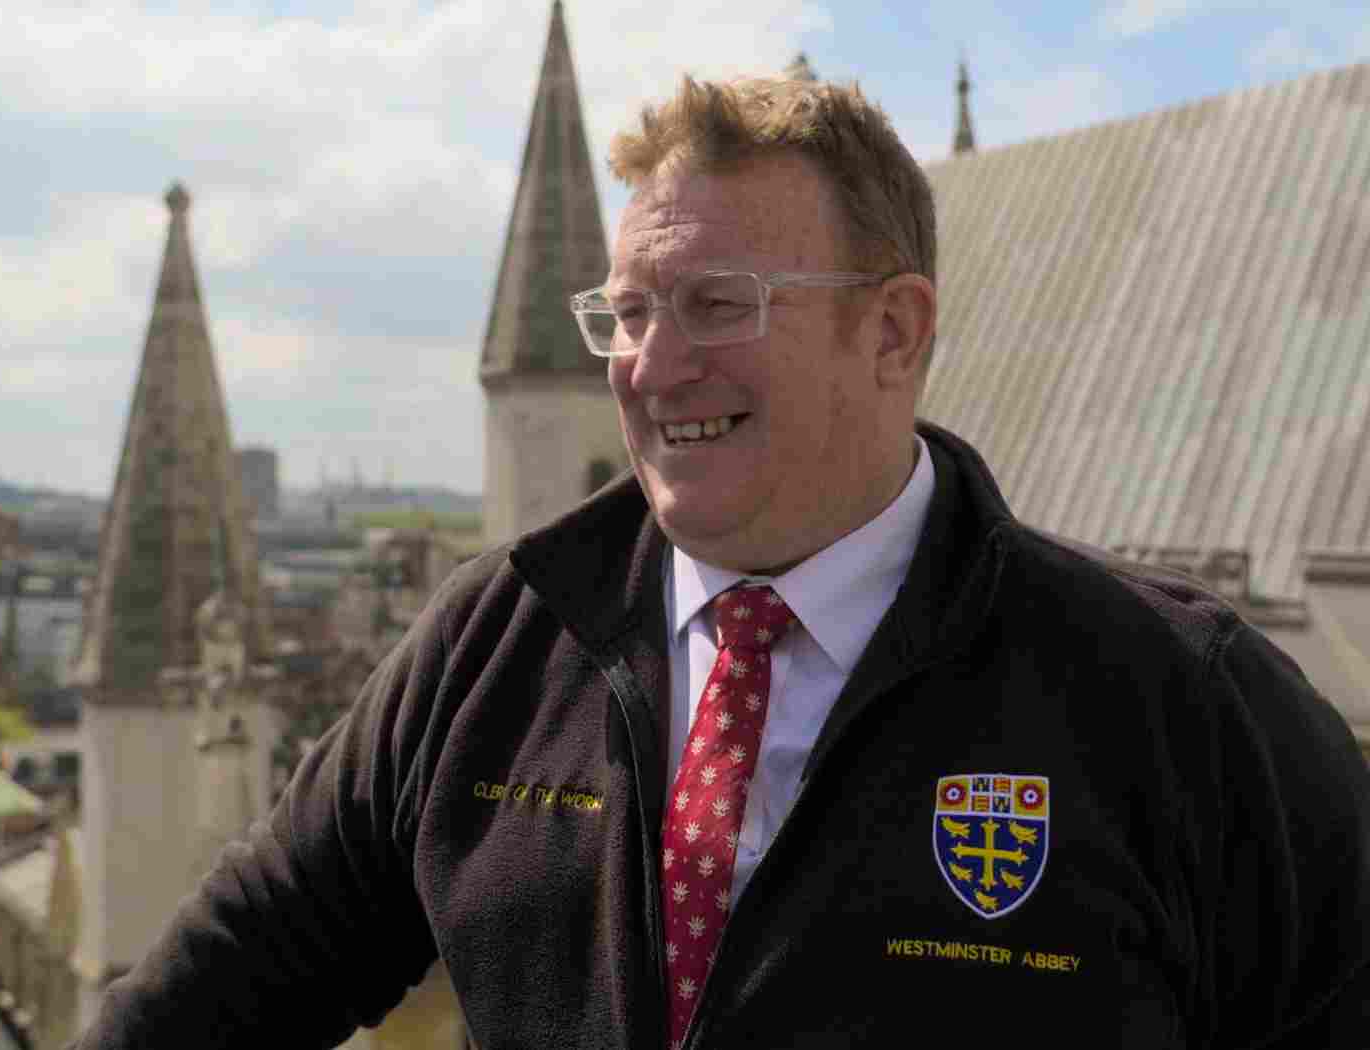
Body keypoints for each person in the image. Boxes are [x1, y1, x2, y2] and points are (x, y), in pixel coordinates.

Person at [72, 77, 1369, 1050]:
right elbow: (228, 979)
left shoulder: (1179, 703)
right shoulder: (497, 651)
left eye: (716, 303)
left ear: (894, 330)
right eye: (628, 312)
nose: (650, 363)